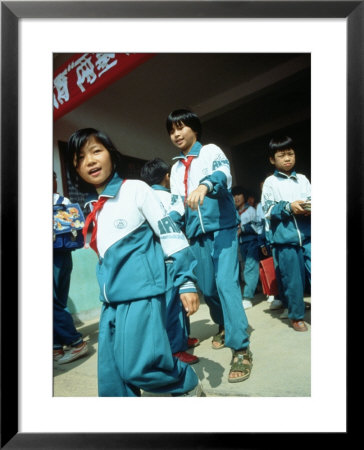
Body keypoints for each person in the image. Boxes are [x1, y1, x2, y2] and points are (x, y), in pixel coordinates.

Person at [66, 128, 202, 397]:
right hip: (111, 303)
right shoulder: (95, 208)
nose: (90, 161)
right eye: (81, 157)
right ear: (76, 168)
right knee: (112, 379)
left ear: (111, 155)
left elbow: (169, 233)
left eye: (96, 151)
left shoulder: (135, 190)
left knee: (141, 367)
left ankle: (187, 385)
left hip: (142, 296)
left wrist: (186, 281)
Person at [166, 109, 252, 383]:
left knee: (226, 283)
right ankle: (225, 324)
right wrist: (165, 224)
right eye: (171, 130)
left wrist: (205, 186)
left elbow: (223, 174)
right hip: (197, 235)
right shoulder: (176, 168)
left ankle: (241, 347)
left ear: (194, 128)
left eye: (181, 127)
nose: (176, 134)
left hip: (224, 228)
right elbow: (178, 204)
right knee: (209, 287)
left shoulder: (211, 151)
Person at [140, 157, 200, 365]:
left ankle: (181, 339)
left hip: (153, 259)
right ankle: (176, 348)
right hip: (173, 257)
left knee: (169, 303)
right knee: (177, 304)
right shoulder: (173, 198)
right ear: (167, 177)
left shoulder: (142, 199)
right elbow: (176, 220)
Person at [261, 136, 311, 332]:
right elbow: (268, 209)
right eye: (281, 156)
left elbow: (311, 197)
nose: (287, 159)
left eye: (290, 154)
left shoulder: (303, 179)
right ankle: (296, 315)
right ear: (272, 160)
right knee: (293, 280)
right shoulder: (270, 182)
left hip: (308, 236)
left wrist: (308, 207)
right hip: (286, 240)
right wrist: (289, 207)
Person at [53, 171, 89, 364]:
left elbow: (77, 226)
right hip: (60, 255)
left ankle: (75, 343)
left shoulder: (62, 201)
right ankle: (56, 346)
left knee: (53, 302)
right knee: (57, 301)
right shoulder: (63, 201)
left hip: (59, 255)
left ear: (55, 181)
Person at [231, 186, 260, 309]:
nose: (236, 198)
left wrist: (242, 229)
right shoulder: (234, 213)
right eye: (234, 195)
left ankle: (248, 297)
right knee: (244, 269)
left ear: (245, 196)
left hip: (251, 242)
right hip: (240, 244)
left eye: (239, 194)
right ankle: (255, 288)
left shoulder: (251, 211)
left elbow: (257, 227)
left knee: (250, 268)